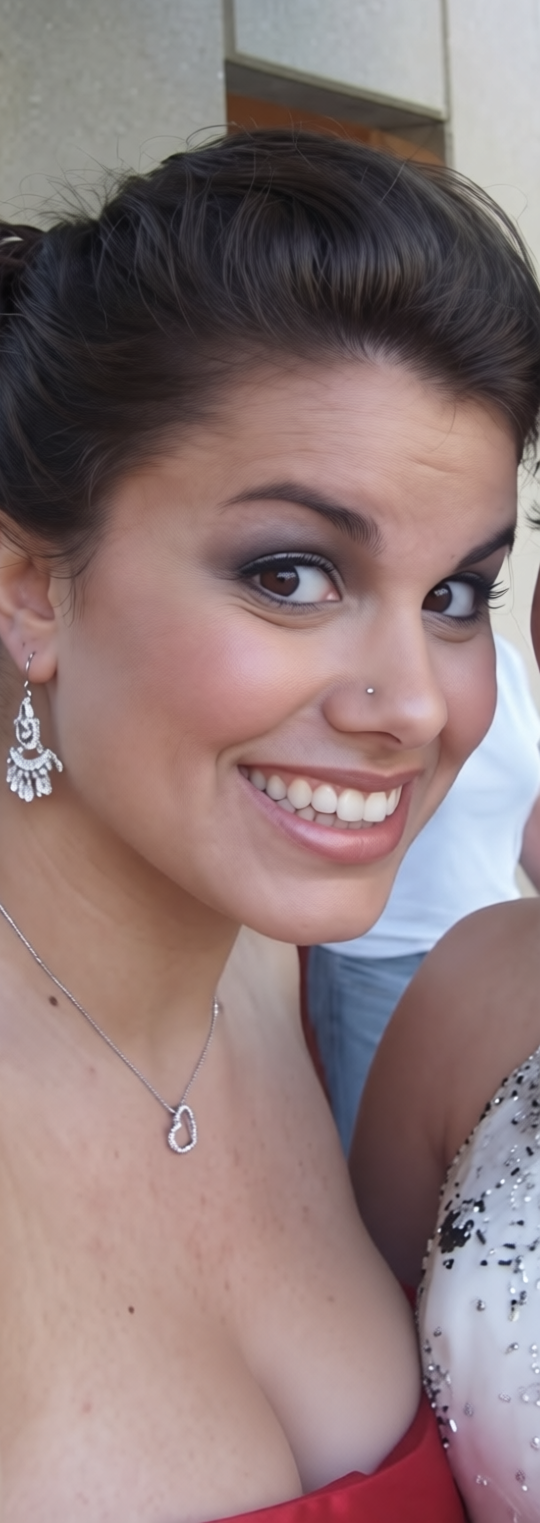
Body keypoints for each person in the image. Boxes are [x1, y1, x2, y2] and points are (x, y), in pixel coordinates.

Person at [0, 127, 537, 1523]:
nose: (417, 704)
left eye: (454, 595)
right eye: (292, 573)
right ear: (30, 587)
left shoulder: (258, 966)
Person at [352, 569, 540, 1522]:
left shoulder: (496, 686)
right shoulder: (480, 998)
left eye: (462, 592)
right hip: (382, 954)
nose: (413, 708)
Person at [309, 632, 540, 1151]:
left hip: (494, 968)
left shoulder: (500, 664)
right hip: (383, 963)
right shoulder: (370, 669)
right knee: (386, 1165)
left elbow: (529, 811)